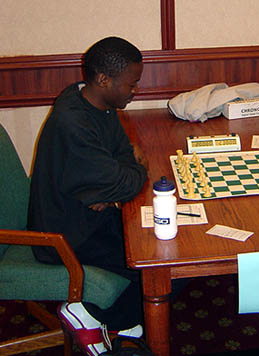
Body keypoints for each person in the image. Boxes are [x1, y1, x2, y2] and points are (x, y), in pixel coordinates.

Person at [28, 37, 148, 356]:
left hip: (89, 216)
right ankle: (88, 314)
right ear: (103, 79)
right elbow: (127, 176)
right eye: (131, 84)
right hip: (65, 236)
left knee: (161, 248)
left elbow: (123, 154)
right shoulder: (73, 122)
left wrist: (113, 183)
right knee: (156, 264)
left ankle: (120, 321)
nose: (135, 91)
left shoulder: (99, 104)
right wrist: (130, 174)